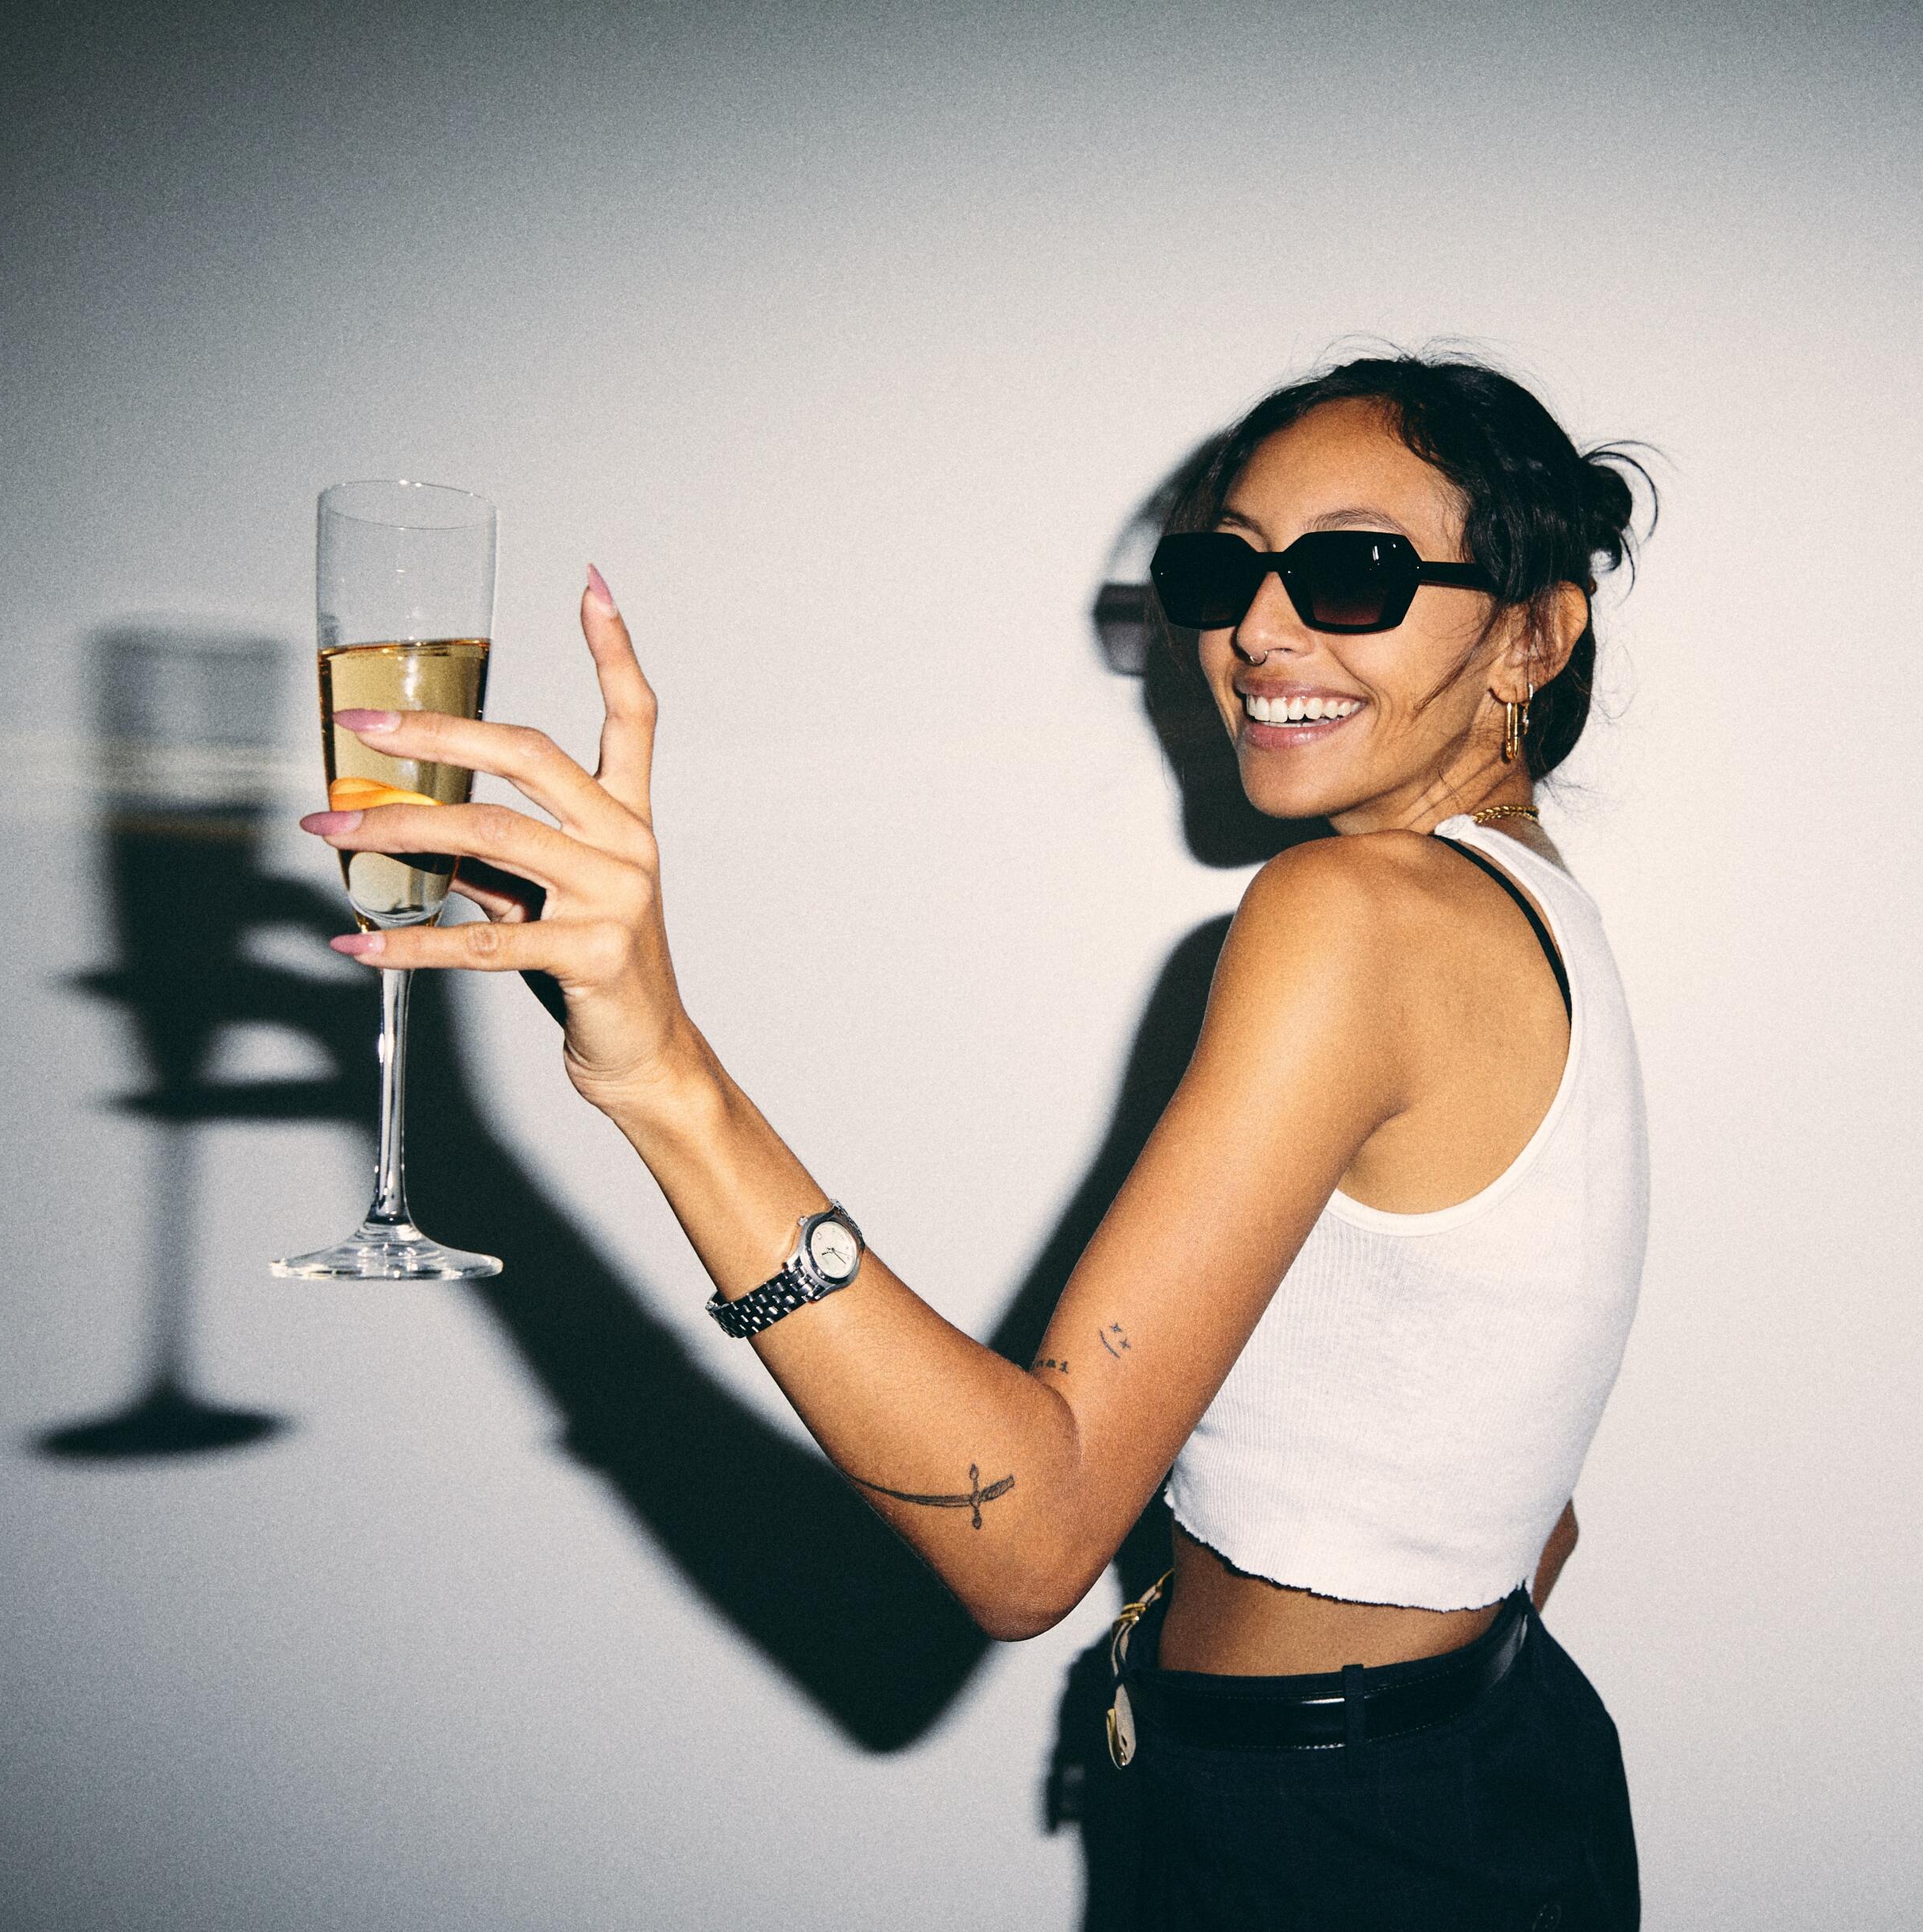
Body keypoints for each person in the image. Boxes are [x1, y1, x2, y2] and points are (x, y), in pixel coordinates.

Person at [302, 351, 1655, 1928]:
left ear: (1533, 634)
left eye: (1350, 570)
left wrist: (662, 1070)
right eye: (1220, 571)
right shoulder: (1532, 908)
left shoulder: (1353, 910)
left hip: (1335, 1836)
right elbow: (1527, 1503)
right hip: (1484, 1770)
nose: (1256, 630)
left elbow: (1024, 1545)